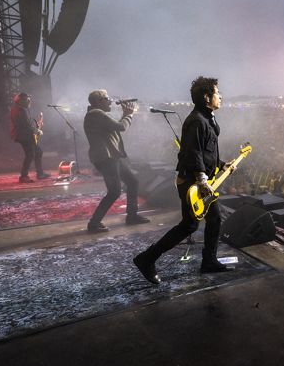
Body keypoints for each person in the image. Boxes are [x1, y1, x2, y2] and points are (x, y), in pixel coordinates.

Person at [133, 77, 237, 284]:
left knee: (214, 219)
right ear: (207, 97)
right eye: (217, 93)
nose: (221, 96)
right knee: (189, 226)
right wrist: (202, 179)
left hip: (202, 180)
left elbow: (208, 151)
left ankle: (209, 261)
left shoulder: (207, 118)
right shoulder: (197, 120)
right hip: (194, 182)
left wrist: (222, 164)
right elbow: (193, 152)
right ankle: (146, 259)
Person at [83, 90, 149, 233]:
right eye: (107, 99)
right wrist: (129, 114)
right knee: (114, 192)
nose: (110, 101)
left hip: (112, 157)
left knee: (132, 182)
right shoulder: (96, 114)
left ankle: (132, 216)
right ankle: (94, 223)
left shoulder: (97, 115)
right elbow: (121, 127)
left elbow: (115, 126)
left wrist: (125, 115)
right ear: (98, 101)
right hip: (106, 158)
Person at [9, 92, 50, 183]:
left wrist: (37, 125)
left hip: (25, 135)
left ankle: (39, 173)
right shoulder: (20, 110)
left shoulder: (20, 109)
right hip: (23, 136)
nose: (29, 102)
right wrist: (37, 130)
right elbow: (25, 125)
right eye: (27, 100)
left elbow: (28, 123)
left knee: (37, 152)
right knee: (30, 154)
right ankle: (24, 176)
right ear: (21, 100)